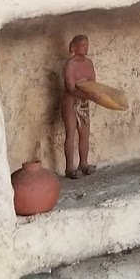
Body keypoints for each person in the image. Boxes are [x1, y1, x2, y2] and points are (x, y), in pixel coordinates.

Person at [61, 35, 98, 178]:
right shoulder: (70, 65)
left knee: (84, 134)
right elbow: (71, 88)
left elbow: (93, 83)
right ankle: (69, 168)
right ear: (74, 47)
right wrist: (89, 96)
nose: (85, 47)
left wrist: (94, 95)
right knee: (70, 134)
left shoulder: (89, 63)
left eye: (86, 45)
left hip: (83, 103)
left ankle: (84, 164)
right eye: (82, 45)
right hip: (71, 102)